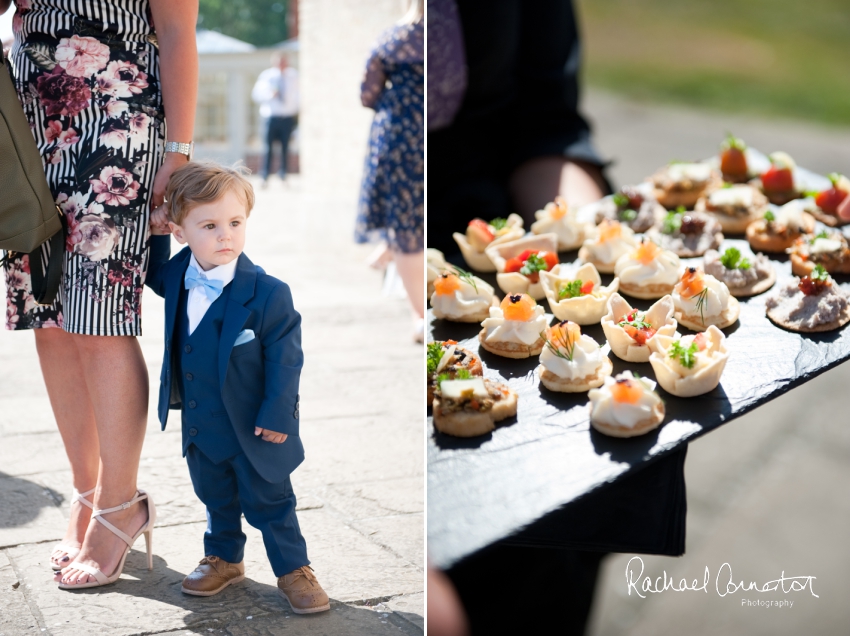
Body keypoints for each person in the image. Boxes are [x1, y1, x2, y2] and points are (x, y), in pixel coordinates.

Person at [427, 1, 687, 634]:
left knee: (558, 550)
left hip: (506, 249)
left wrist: (584, 236)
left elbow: (546, 123)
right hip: (391, 271)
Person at [0, 0, 198, 588]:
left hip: (117, 120)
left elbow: (177, 29)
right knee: (49, 317)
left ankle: (119, 506)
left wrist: (177, 151)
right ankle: (87, 496)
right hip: (26, 123)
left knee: (100, 317)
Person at [145, 162, 329, 613]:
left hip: (254, 426)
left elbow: (286, 360)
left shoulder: (268, 293)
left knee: (271, 500)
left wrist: (277, 415)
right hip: (202, 425)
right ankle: (224, 558)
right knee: (215, 494)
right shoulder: (177, 277)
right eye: (209, 226)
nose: (225, 235)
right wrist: (154, 234)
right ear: (181, 230)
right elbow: (151, 275)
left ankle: (293, 569)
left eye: (235, 223)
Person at [355, 0, 424, 342]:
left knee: (406, 219)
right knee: (417, 215)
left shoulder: (393, 38)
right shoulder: (447, 38)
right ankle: (389, 245)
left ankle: (419, 315)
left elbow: (367, 93)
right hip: (433, 127)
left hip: (397, 134)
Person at [251, 52, 299, 185]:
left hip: (287, 117)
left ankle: (283, 175)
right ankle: (264, 176)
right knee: (268, 148)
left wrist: (295, 107)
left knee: (285, 148)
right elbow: (256, 95)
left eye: (284, 62)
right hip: (270, 117)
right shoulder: (267, 76)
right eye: (279, 62)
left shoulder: (293, 76)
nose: (282, 65)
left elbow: (298, 94)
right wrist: (270, 94)